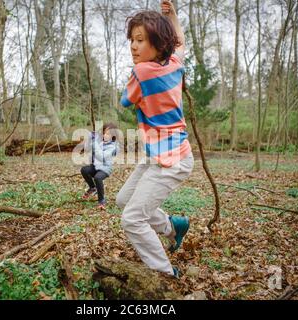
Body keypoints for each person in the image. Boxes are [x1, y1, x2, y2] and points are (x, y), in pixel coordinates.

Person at [116, 0, 194, 277]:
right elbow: (180, 43)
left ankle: (164, 273)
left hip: (172, 160)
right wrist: (172, 15)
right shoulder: (174, 63)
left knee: (132, 219)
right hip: (164, 154)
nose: (133, 47)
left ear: (159, 45)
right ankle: (173, 226)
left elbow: (125, 101)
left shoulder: (142, 72)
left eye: (140, 40)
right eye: (132, 40)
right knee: (124, 200)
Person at [81, 123, 119, 210]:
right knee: (84, 170)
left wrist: (95, 144)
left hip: (105, 168)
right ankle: (92, 188)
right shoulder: (100, 142)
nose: (105, 135)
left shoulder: (112, 146)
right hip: (95, 166)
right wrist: (90, 139)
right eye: (104, 133)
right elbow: (87, 149)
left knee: (98, 178)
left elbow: (102, 157)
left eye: (109, 134)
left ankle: (101, 200)